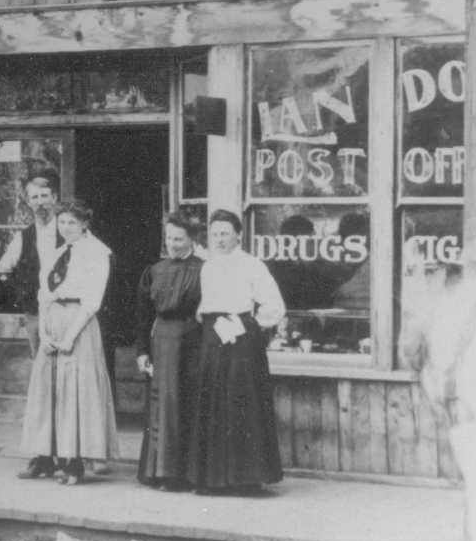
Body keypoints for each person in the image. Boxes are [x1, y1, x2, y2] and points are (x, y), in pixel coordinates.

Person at [16, 200, 118, 485]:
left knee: (75, 393)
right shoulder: (57, 252)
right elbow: (43, 295)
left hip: (79, 325)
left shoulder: (97, 252)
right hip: (52, 323)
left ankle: (74, 464)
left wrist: (69, 337)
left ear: (85, 223)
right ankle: (44, 459)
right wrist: (45, 334)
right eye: (62, 222)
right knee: (47, 392)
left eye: (72, 222)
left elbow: (92, 301)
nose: (66, 227)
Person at [187, 209, 286, 494]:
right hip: (212, 339)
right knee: (213, 405)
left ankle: (246, 479)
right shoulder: (208, 267)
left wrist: (247, 325)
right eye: (215, 234)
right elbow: (204, 304)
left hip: (241, 341)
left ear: (238, 235)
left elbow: (274, 305)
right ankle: (213, 480)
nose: (219, 239)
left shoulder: (252, 265)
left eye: (225, 233)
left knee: (242, 405)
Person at [133, 212, 205, 491]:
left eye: (179, 239)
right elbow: (143, 315)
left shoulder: (203, 269)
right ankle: (160, 472)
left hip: (192, 341)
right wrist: (142, 351)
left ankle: (185, 475)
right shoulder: (154, 271)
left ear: (192, 239)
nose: (173, 244)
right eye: (169, 238)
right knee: (162, 406)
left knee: (186, 404)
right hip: (162, 341)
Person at [0, 172, 63, 358]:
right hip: (35, 314)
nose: (40, 202)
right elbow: (0, 271)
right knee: (40, 364)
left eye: (44, 196)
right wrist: (22, 294)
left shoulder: (68, 231)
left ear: (54, 198)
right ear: (29, 202)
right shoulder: (22, 238)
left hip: (66, 312)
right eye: (35, 197)